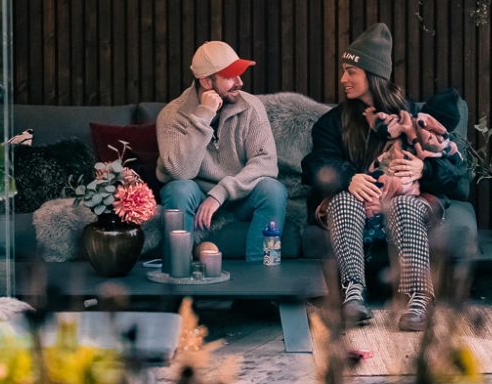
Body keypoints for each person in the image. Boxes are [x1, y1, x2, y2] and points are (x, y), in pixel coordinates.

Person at [302, 23, 468, 331]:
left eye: (351, 71)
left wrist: (425, 169)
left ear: (373, 74)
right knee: (343, 201)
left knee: (404, 204)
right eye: (343, 71)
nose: (343, 79)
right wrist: (348, 177)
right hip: (357, 212)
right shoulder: (332, 123)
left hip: (407, 209)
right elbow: (315, 164)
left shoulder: (414, 119)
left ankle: (418, 299)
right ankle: (353, 294)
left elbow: (459, 177)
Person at [155, 40, 288, 257]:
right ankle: (178, 271)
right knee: (178, 189)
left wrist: (219, 194)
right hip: (195, 194)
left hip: (239, 194)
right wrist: (203, 117)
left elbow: (265, 162)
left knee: (274, 191)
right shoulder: (172, 116)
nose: (240, 82)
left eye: (239, 74)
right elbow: (181, 172)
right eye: (230, 76)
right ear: (206, 81)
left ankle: (263, 271)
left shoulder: (251, 106)